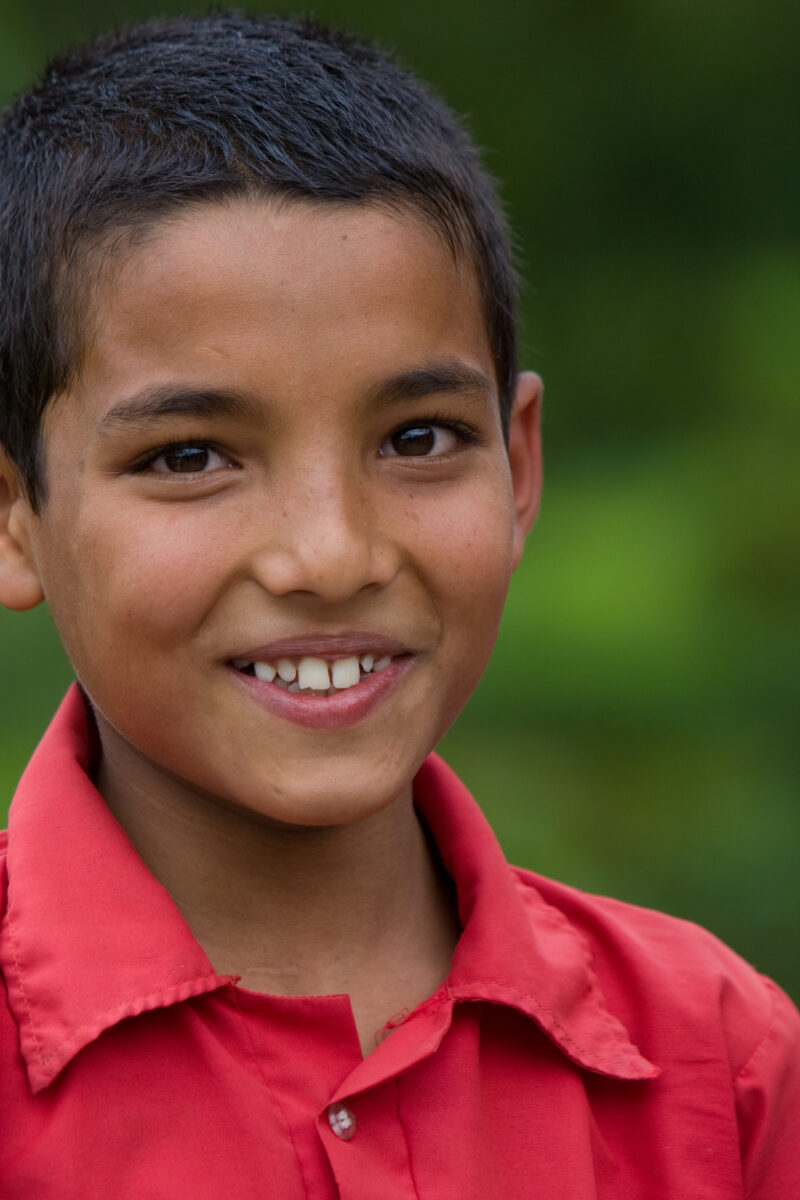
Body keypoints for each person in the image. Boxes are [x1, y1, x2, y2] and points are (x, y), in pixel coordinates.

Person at [0, 13, 797, 1198]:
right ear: (14, 514)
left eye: (417, 439)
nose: (331, 555)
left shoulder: (717, 1067)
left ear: (516, 467)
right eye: (189, 457)